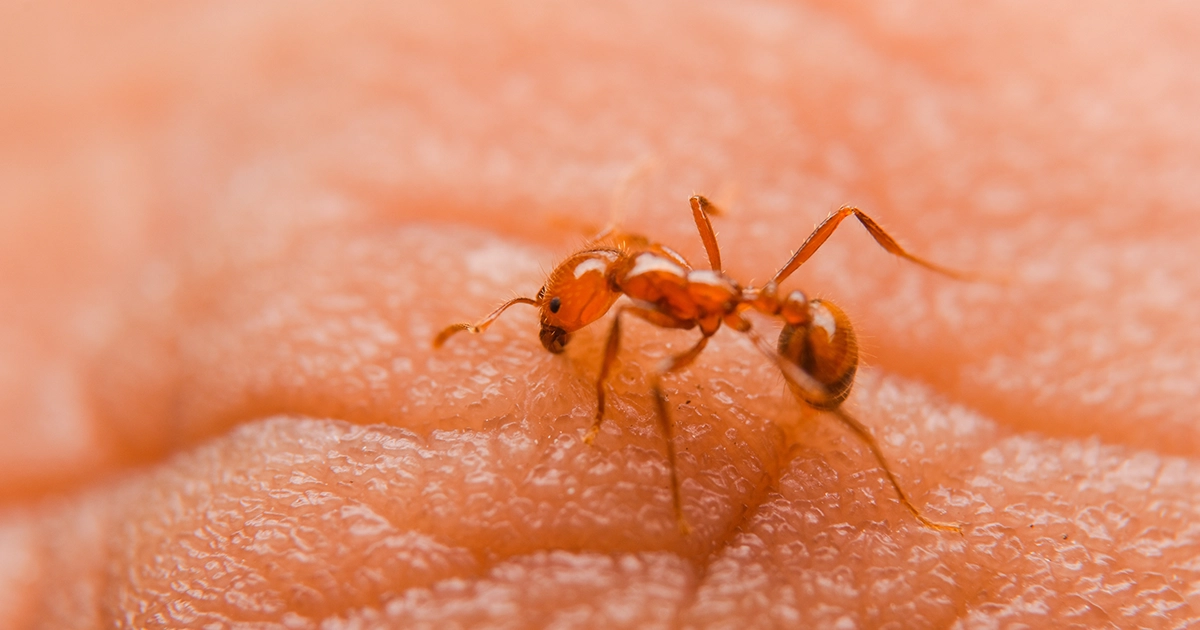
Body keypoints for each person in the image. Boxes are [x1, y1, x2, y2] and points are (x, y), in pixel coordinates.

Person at [1, 2, 1196, 627]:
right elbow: (622, 273)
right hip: (751, 307)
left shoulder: (681, 296)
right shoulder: (647, 284)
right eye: (563, 313)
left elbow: (644, 282)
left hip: (789, 325)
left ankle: (880, 449)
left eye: (562, 313)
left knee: (707, 390)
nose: (566, 318)